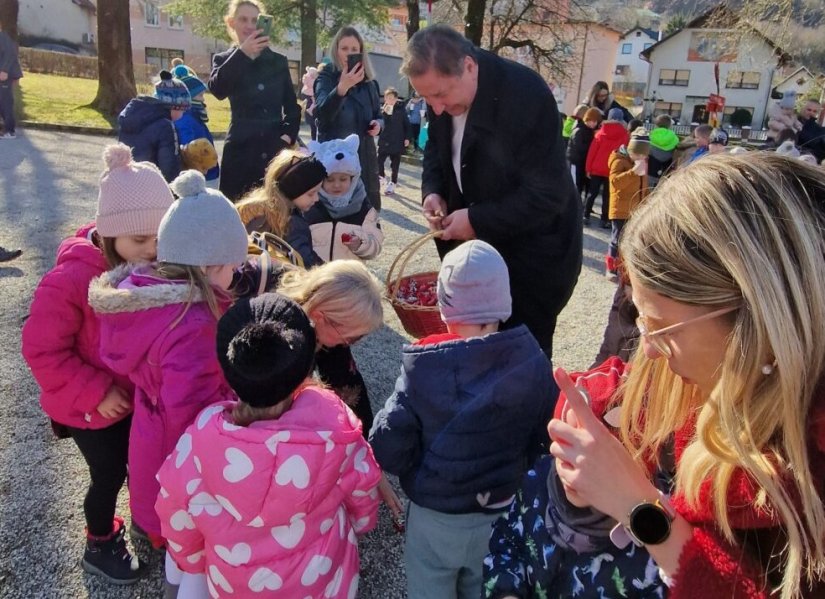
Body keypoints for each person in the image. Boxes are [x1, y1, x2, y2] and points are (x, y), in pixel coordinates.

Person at [546, 154, 825, 598]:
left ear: (759, 318)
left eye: (661, 328)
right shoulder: (735, 366)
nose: (648, 349)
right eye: (639, 319)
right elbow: (624, 382)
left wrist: (639, 506)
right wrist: (587, 423)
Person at [156, 293, 382, 598]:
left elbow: (176, 516)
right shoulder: (337, 429)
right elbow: (363, 489)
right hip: (321, 576)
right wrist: (359, 523)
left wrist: (195, 562)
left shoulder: (196, 445)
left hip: (237, 584)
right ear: (305, 370)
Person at [21, 144, 175, 584]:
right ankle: (100, 540)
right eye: (141, 241)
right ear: (109, 236)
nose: (152, 250)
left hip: (133, 398)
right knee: (106, 475)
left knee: (141, 460)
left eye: (161, 239)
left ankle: (147, 517)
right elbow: (41, 350)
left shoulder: (143, 266)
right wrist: (96, 391)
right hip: (90, 408)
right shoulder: (72, 280)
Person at [370, 240, 557, 599]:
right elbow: (544, 438)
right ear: (504, 305)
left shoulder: (422, 368)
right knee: (484, 587)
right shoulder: (531, 359)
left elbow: (389, 449)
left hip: (436, 516)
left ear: (442, 309)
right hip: (500, 510)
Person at [88, 170, 249, 549]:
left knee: (158, 502)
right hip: (180, 451)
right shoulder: (193, 325)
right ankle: (174, 547)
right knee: (181, 534)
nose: (236, 273)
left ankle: (159, 532)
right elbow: (193, 409)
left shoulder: (149, 297)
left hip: (151, 429)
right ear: (209, 267)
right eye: (231, 265)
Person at [404, 24, 581, 357]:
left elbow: (548, 195)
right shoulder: (440, 86)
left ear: (469, 66)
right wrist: (433, 190)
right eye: (427, 99)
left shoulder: (527, 96)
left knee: (518, 362)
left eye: (441, 96)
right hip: (475, 257)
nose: (437, 109)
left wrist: (476, 220)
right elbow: (437, 149)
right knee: (471, 358)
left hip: (530, 262)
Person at [209, 0, 301, 201]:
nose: (250, 25)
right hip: (240, 150)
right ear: (232, 23)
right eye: (243, 19)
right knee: (236, 212)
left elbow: (292, 108)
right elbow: (217, 90)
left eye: (255, 20)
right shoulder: (224, 59)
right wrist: (243, 53)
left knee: (274, 215)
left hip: (273, 151)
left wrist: (286, 137)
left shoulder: (278, 61)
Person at [314, 26, 384, 211]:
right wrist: (341, 88)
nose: (349, 54)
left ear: (361, 52)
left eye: (354, 49)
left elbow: (379, 114)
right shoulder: (326, 76)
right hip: (335, 161)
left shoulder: (370, 84)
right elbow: (321, 115)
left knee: (367, 214)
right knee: (335, 215)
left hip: (365, 159)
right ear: (336, 50)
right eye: (344, 48)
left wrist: (379, 125)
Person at [237, 149, 328, 267]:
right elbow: (305, 264)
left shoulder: (251, 210)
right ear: (292, 190)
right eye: (311, 193)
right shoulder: (292, 224)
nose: (316, 199)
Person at [306, 134, 384, 262]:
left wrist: (361, 244)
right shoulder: (310, 206)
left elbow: (376, 244)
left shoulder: (364, 208)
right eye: (330, 180)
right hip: (316, 277)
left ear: (353, 178)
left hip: (349, 278)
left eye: (343, 179)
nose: (337, 185)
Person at [118, 70, 189, 182]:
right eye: (183, 109)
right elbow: (169, 163)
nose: (183, 114)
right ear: (173, 106)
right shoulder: (166, 126)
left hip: (128, 178)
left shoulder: (130, 117)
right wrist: (173, 189)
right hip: (153, 182)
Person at [606, 128, 650, 282]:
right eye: (638, 154)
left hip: (636, 209)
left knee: (631, 240)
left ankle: (625, 268)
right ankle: (611, 268)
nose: (641, 157)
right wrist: (633, 172)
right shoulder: (619, 160)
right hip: (620, 208)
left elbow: (642, 187)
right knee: (617, 239)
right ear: (631, 150)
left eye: (644, 155)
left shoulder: (642, 162)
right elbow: (615, 183)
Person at [585, 107, 629, 228]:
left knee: (592, 193)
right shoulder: (625, 135)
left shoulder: (600, 133)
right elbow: (624, 154)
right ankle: (604, 219)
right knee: (608, 196)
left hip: (596, 169)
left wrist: (588, 168)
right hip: (612, 170)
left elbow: (592, 152)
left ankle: (586, 215)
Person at [172, 69, 219, 182]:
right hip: (201, 173)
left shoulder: (195, 116)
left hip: (206, 171)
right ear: (189, 97)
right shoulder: (185, 119)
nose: (203, 99)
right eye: (200, 95)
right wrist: (200, 167)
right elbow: (189, 151)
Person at [377, 87, 411, 195]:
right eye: (387, 98)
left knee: (395, 165)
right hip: (384, 140)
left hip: (397, 140)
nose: (389, 100)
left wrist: (407, 138)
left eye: (392, 98)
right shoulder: (382, 110)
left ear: (396, 99)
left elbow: (407, 125)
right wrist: (384, 112)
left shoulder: (401, 110)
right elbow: (380, 125)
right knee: (379, 160)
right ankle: (381, 176)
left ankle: (393, 183)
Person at [567, 107, 601, 201]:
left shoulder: (590, 131)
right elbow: (579, 147)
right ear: (587, 120)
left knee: (582, 185)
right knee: (576, 185)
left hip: (583, 163)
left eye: (595, 122)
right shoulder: (579, 131)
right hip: (576, 162)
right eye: (592, 121)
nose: (594, 124)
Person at [0, 22, 22, 138]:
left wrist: (4, 70)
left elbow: (11, 54)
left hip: (5, 75)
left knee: (6, 103)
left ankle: (10, 131)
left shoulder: (3, 37)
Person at [647, 114, 679, 187]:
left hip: (650, 171)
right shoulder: (674, 138)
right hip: (666, 173)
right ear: (669, 125)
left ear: (656, 124)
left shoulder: (650, 136)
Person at [798, 99, 825, 163]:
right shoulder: (792, 121)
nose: (811, 113)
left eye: (815, 111)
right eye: (809, 110)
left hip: (812, 161)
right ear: (803, 109)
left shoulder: (818, 128)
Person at [300, 65, 320, 141]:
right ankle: (315, 143)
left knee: (313, 128)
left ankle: (314, 142)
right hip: (313, 110)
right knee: (314, 128)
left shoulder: (308, 82)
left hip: (311, 108)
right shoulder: (314, 83)